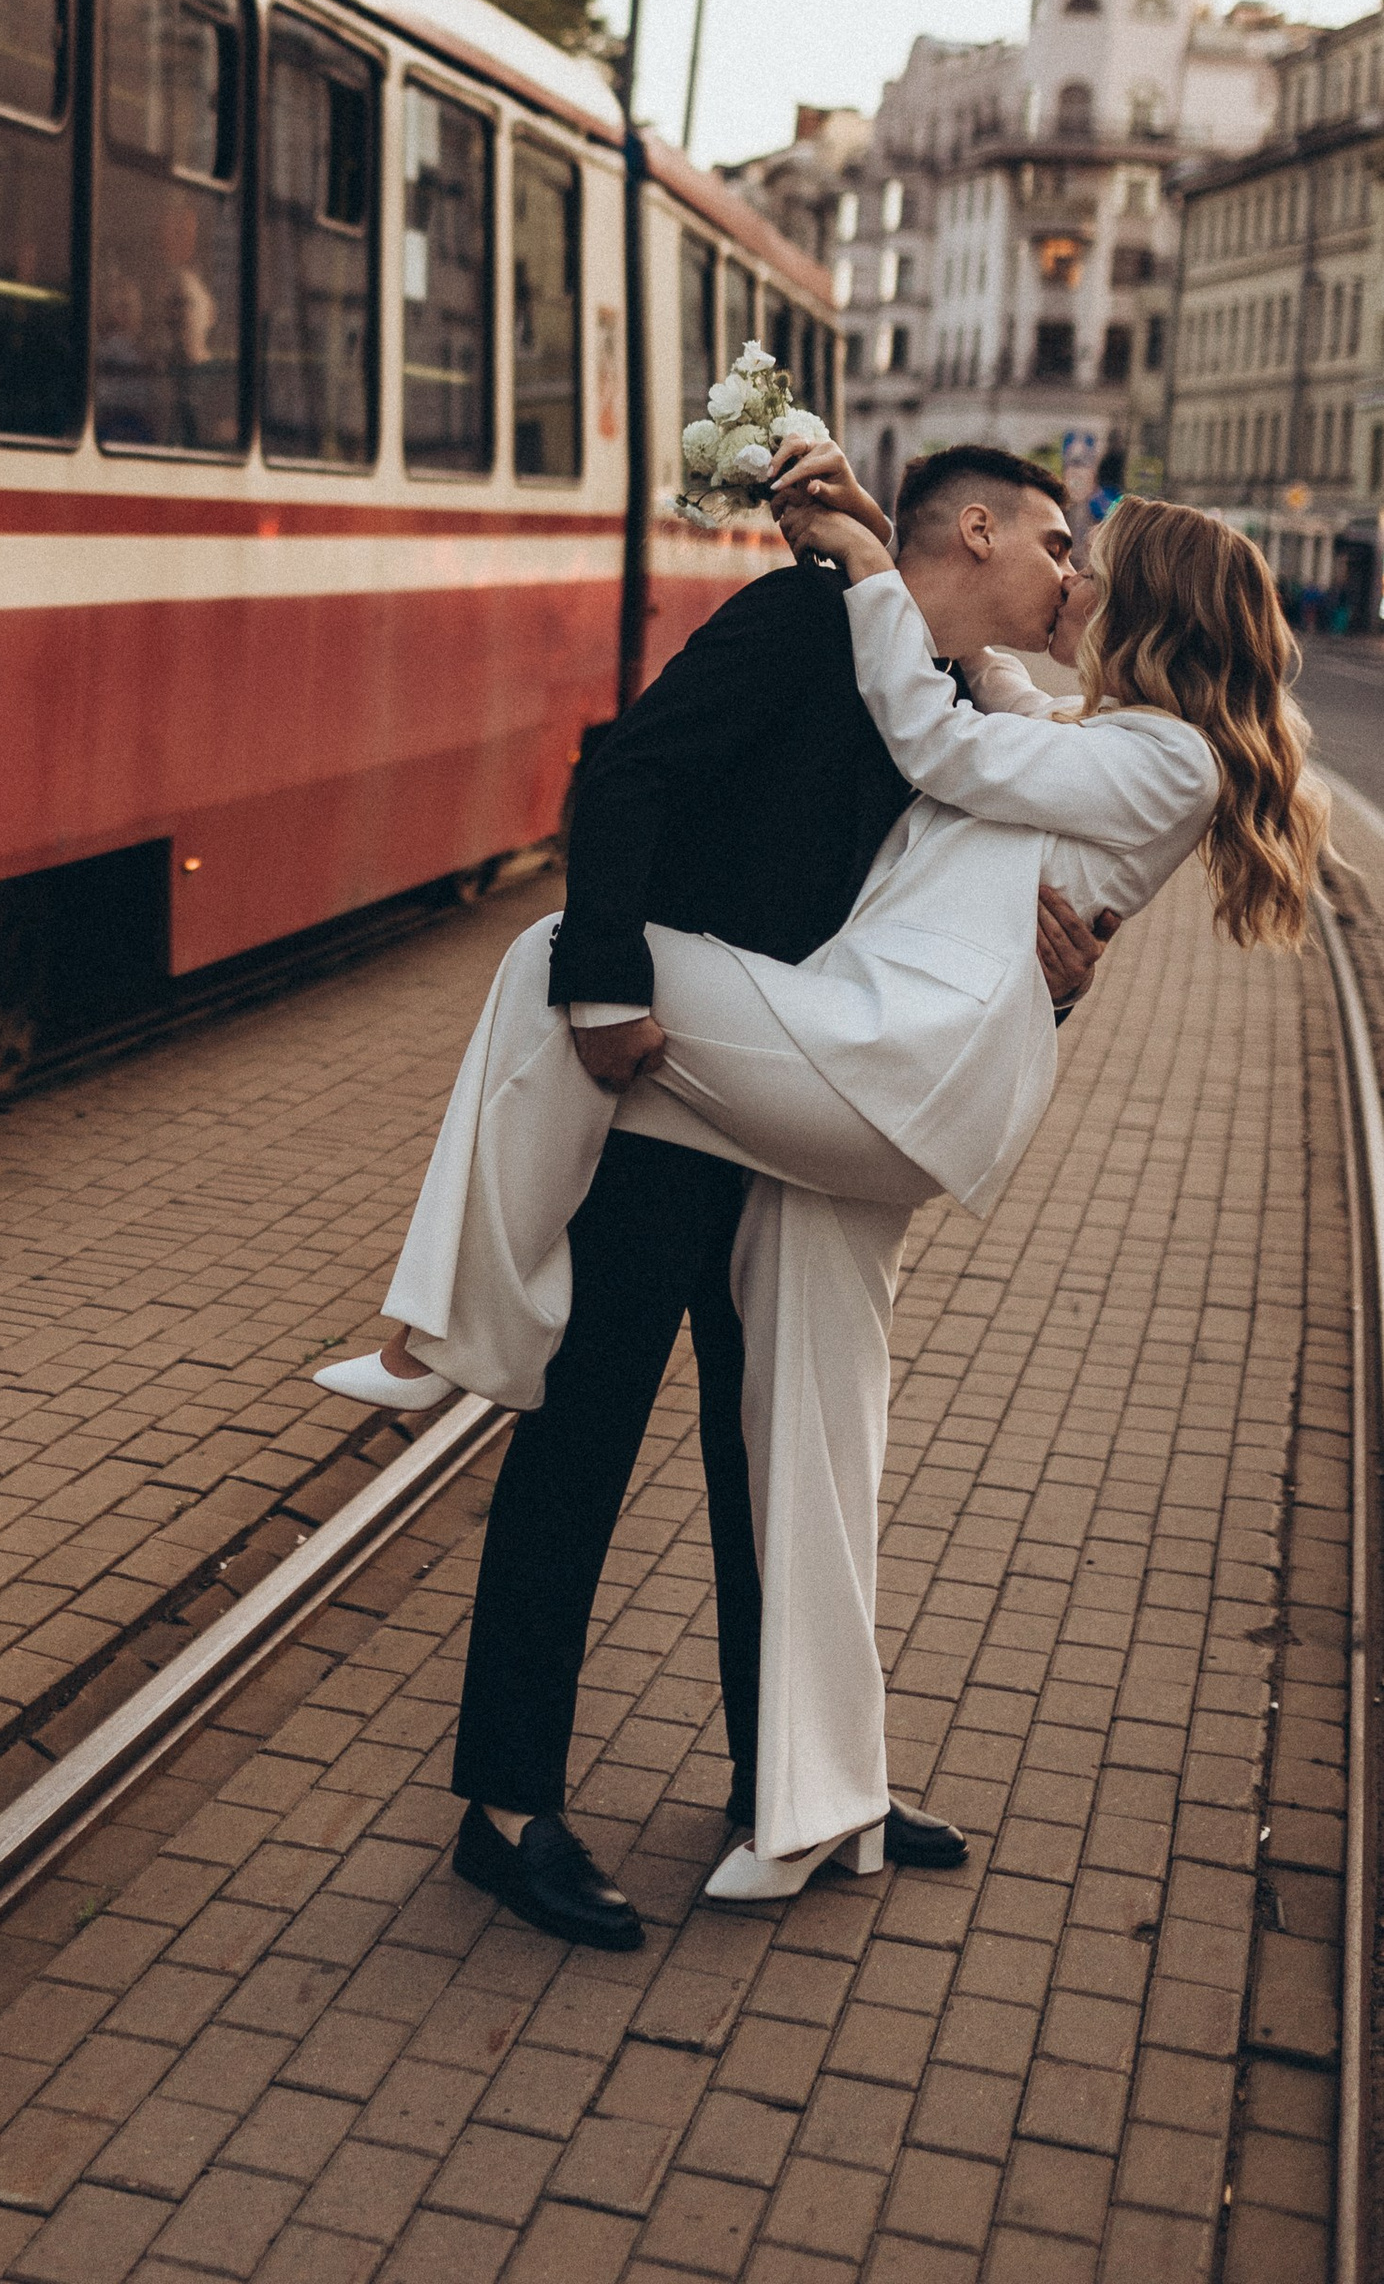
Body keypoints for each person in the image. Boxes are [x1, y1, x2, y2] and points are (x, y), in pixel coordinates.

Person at [336, 471, 1322, 1918]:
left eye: (1095, 561)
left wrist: (1071, 963)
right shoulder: (816, 631)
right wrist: (609, 976)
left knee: (790, 1456)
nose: (1076, 578)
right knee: (585, 1441)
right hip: (674, 1088)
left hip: (816, 1080)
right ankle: (516, 1803)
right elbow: (628, 779)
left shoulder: (1026, 719)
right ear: (976, 532)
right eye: (1063, 544)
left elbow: (981, 831)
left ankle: (804, 1780)